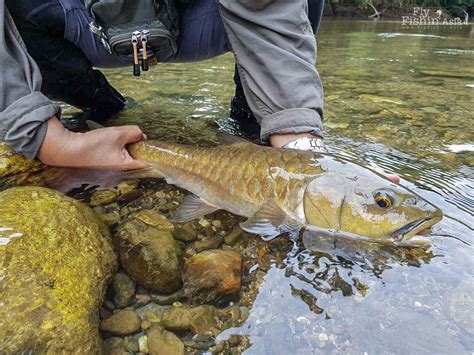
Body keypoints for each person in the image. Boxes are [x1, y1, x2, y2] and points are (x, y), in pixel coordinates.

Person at [1, 0, 328, 171]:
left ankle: (254, 124)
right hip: (75, 23)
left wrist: (300, 142)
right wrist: (49, 143)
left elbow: (272, 10)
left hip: (201, 19)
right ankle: (106, 108)